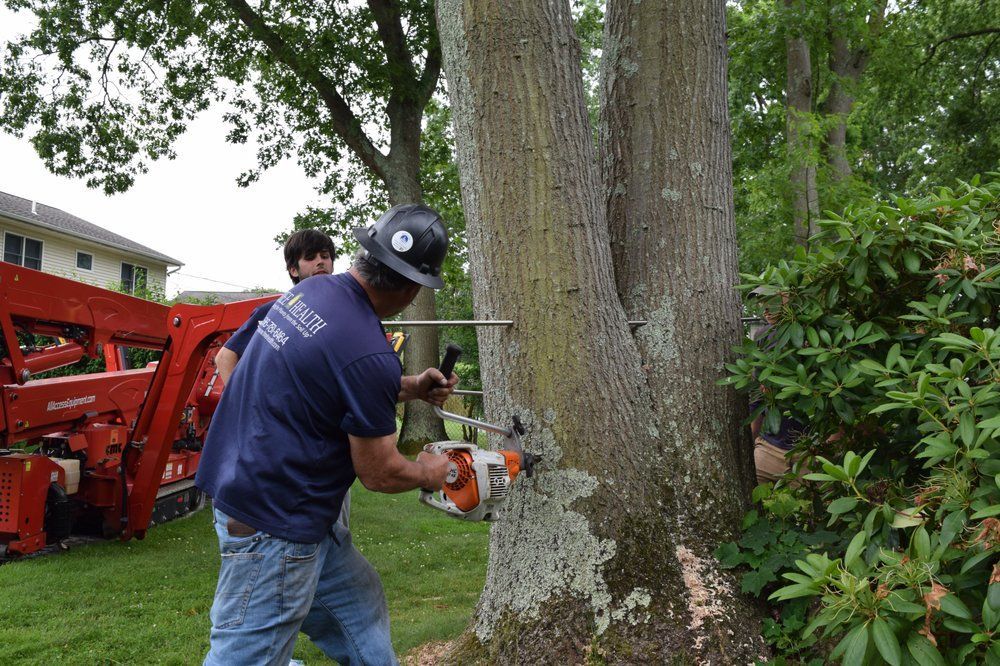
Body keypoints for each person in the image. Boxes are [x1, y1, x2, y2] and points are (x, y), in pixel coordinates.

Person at [195, 204, 456, 666]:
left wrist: (413, 386)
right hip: (276, 525)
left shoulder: (305, 297)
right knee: (245, 657)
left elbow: (332, 380)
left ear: (364, 255)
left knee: (359, 606)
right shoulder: (368, 353)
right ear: (414, 287)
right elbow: (378, 472)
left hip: (279, 506)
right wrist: (432, 473)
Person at [214, 228, 336, 384]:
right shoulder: (274, 311)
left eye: (325, 256)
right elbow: (225, 357)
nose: (320, 262)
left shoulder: (341, 312)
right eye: (310, 257)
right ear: (293, 270)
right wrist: (237, 405)